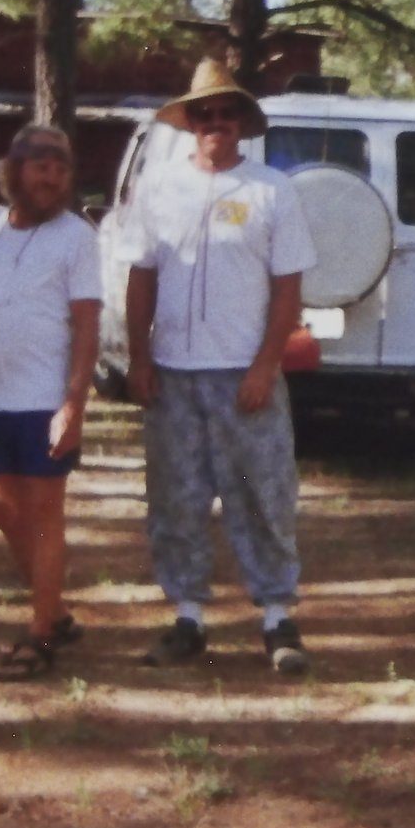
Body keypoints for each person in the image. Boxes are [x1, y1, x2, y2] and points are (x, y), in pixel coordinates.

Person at [119, 58, 317, 675]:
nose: (215, 124)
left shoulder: (270, 190)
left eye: (226, 114)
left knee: (262, 495)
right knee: (176, 498)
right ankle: (188, 619)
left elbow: (288, 288)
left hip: (243, 376)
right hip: (174, 374)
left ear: (242, 123)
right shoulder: (158, 188)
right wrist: (140, 356)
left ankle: (278, 619)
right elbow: (141, 275)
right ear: (189, 123)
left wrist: (264, 365)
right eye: (204, 114)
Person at [0, 125, 102, 679]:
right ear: (13, 170)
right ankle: (54, 611)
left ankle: (39, 635)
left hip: (45, 398)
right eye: (40, 164)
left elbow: (86, 325)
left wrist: (73, 405)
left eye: (61, 167)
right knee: (3, 512)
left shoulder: (77, 238)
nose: (52, 176)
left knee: (46, 517)